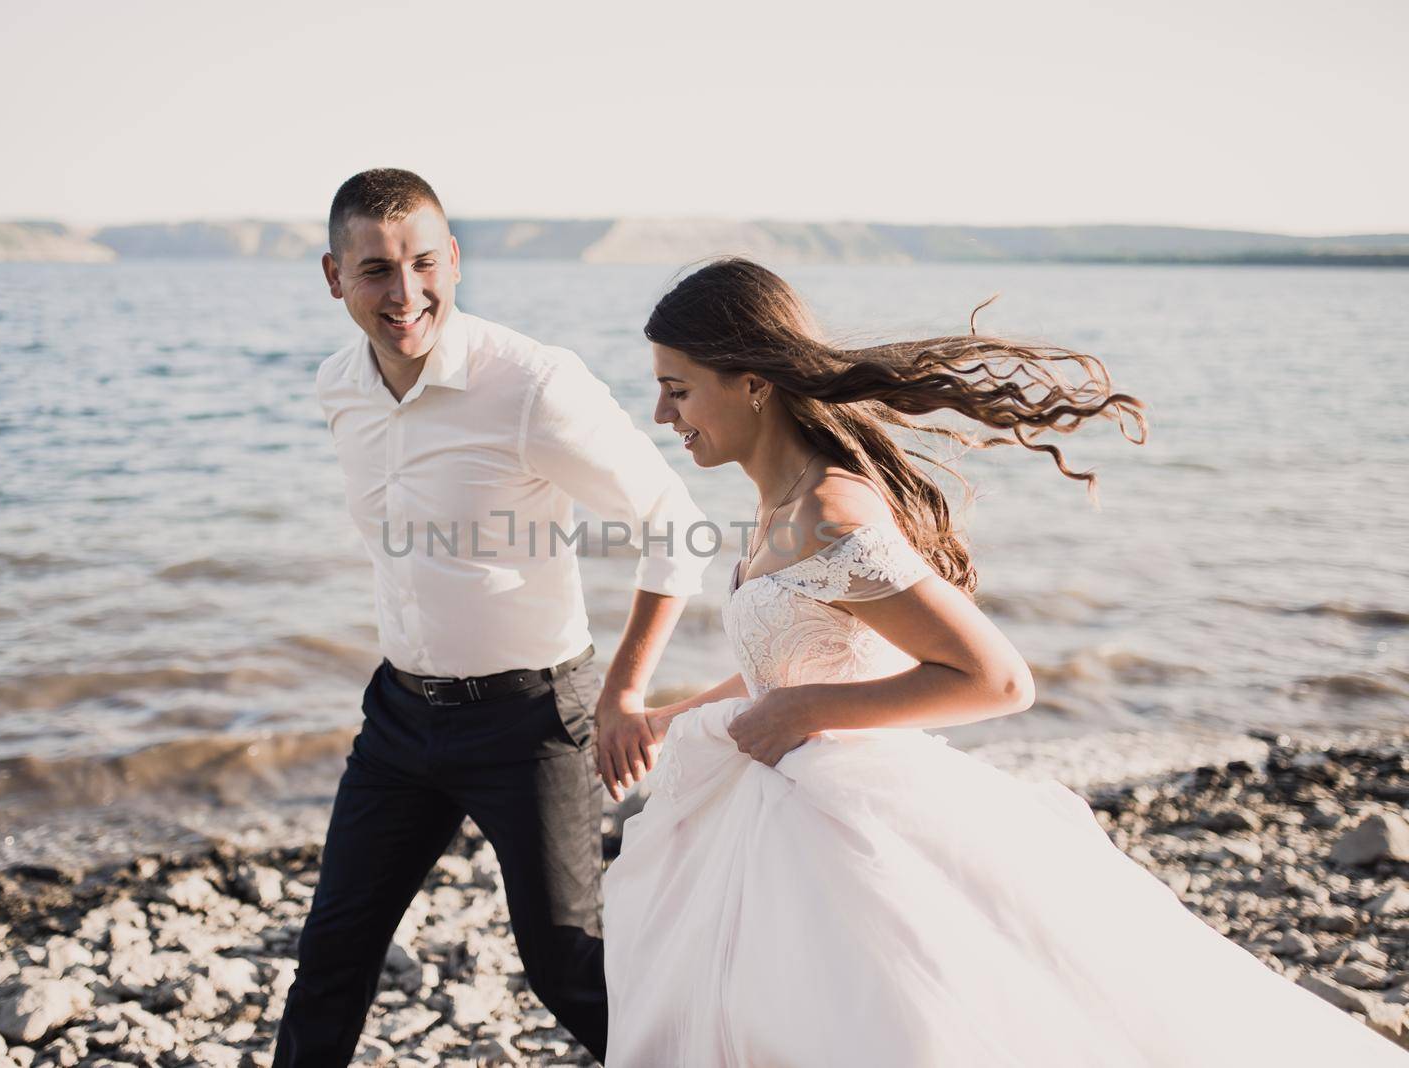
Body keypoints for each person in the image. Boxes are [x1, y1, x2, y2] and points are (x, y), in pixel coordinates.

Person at [601, 258, 1409, 1066]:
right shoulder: (778, 502)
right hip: (781, 806)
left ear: (752, 384)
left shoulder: (829, 512)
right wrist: (667, 718)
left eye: (678, 388)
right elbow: (793, 659)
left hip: (844, 823)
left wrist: (803, 712)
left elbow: (997, 679)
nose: (662, 412)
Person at [273, 169, 711, 1065]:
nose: (404, 294)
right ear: (333, 277)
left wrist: (625, 691)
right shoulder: (338, 388)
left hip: (532, 720)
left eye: (423, 263)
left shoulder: (532, 385)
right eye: (374, 272)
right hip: (398, 720)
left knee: (566, 968)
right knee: (331, 956)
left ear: (455, 261)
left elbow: (678, 527)